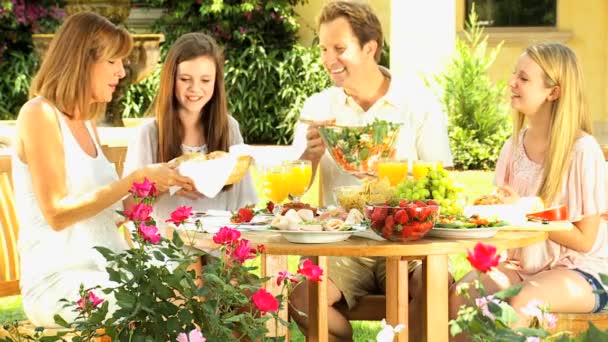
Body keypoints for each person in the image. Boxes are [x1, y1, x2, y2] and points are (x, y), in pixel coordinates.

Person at [13, 12, 194, 327]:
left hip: (107, 269)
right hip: (59, 281)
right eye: (113, 62)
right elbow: (57, 213)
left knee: (189, 278)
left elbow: (115, 210)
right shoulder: (39, 115)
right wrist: (133, 179)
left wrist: (157, 184)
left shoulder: (86, 123)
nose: (122, 72)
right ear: (83, 61)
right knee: (155, 299)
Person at [289, 1, 453, 341]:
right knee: (303, 300)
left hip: (409, 241)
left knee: (434, 285)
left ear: (370, 47)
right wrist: (311, 154)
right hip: (344, 243)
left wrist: (399, 171)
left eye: (339, 48)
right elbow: (292, 189)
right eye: (323, 48)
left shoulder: (417, 103)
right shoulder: (319, 107)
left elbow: (444, 183)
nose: (328, 59)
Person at [449, 42, 608, 340]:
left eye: (523, 78)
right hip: (524, 265)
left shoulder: (582, 150)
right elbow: (502, 216)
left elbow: (586, 240)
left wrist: (525, 211)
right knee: (461, 293)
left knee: (523, 302)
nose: (512, 83)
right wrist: (493, 211)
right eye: (514, 75)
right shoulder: (513, 147)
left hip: (585, 272)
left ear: (553, 92)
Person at [122, 32, 257, 232]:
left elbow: (246, 203)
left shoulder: (229, 128)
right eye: (185, 79)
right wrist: (165, 184)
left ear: (216, 82)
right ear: (171, 80)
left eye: (205, 80)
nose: (195, 89)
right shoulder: (149, 133)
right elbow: (129, 210)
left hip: (217, 248)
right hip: (168, 251)